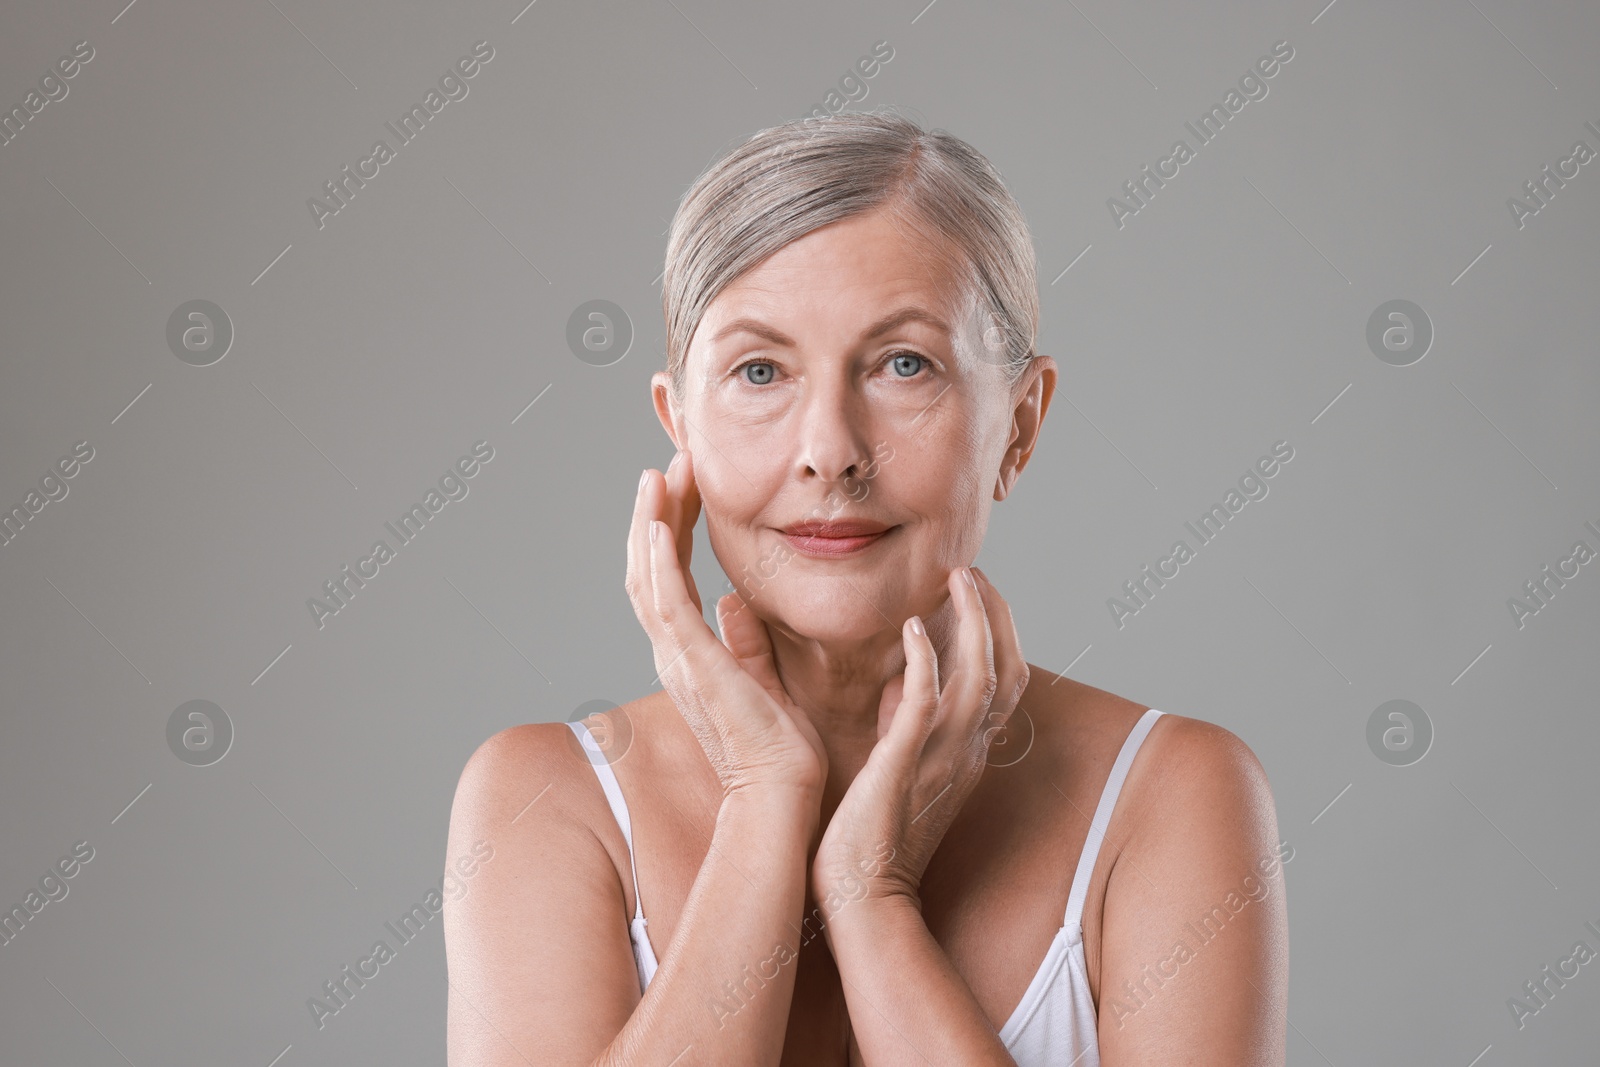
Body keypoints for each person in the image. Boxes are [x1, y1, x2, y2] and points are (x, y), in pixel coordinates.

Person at [443, 109, 1288, 1066]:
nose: (830, 453)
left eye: (903, 365)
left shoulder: (1173, 794)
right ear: (679, 427)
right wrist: (767, 804)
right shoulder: (539, 800)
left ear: (1019, 425)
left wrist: (869, 896)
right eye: (760, 370)